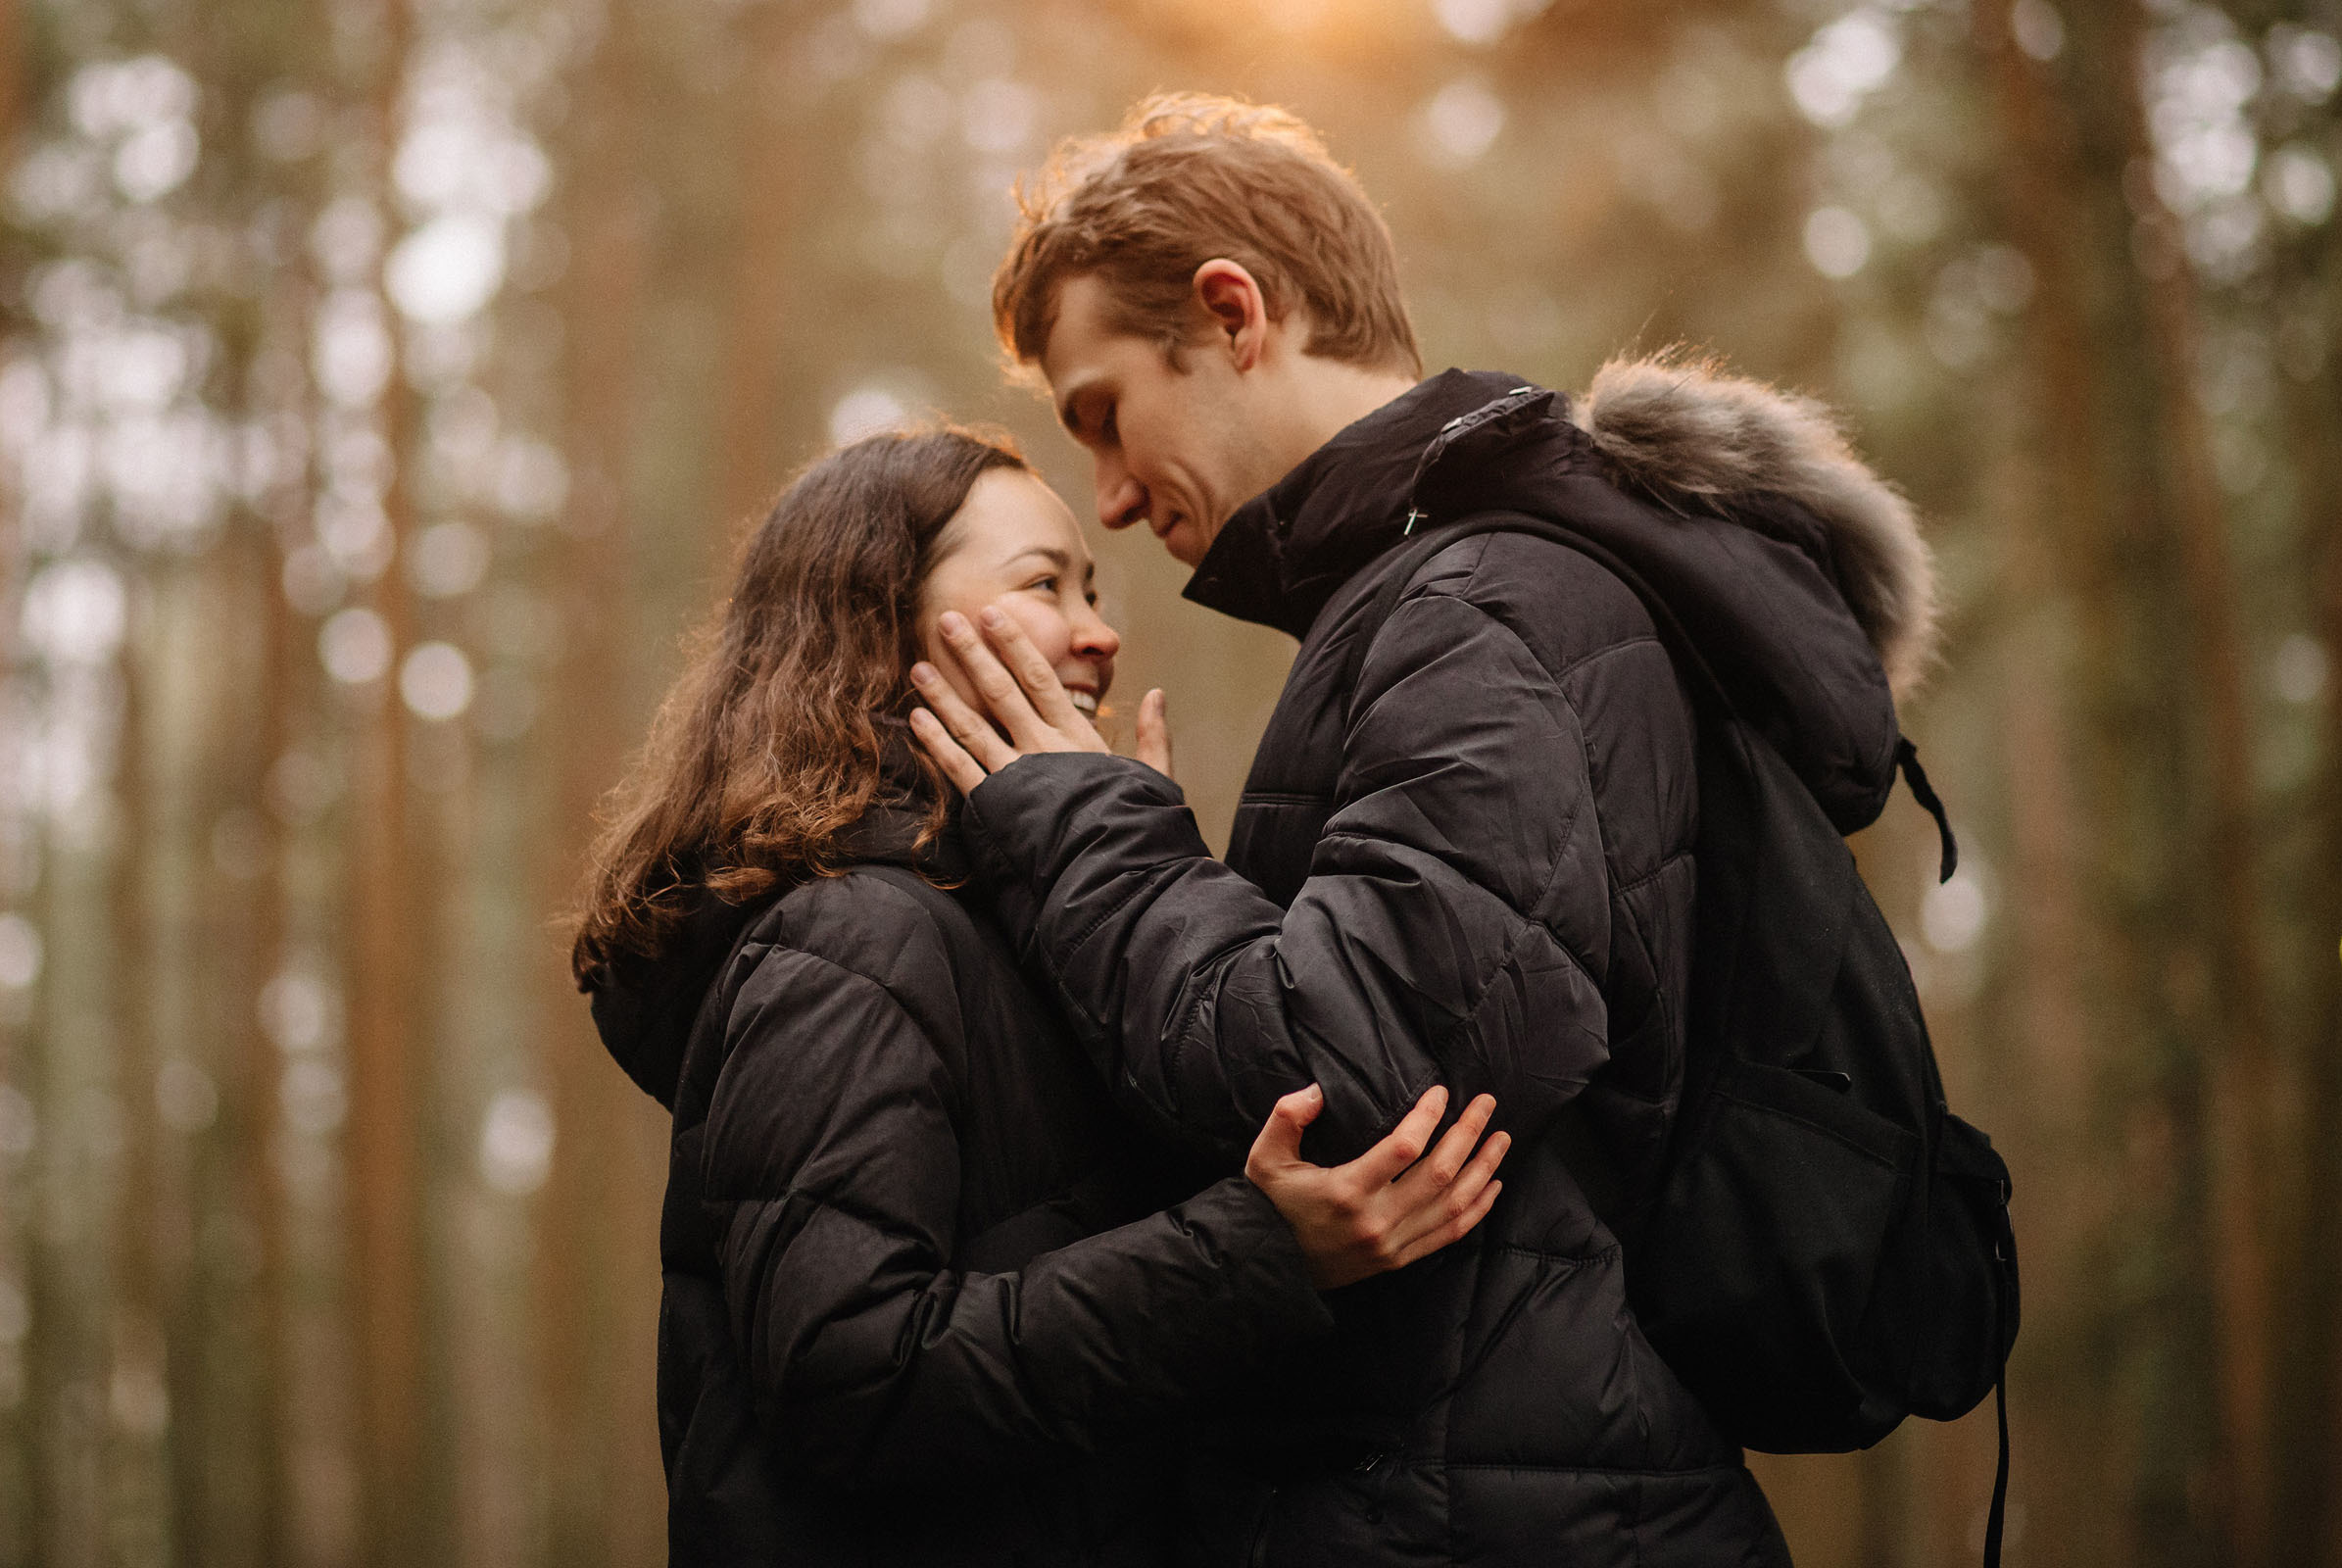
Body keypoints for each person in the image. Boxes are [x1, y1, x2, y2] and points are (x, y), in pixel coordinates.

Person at [911, 95, 1937, 1567]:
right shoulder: (1449, 605)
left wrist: (1078, 825)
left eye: (1105, 415)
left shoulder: (1478, 610)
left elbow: (1353, 1082)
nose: (1116, 499)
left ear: (1230, 311)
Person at [569, 425, 1511, 1564]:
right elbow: (851, 1375)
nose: (1102, 632)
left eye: (1093, 589)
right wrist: (1257, 1253)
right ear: (882, 626)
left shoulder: (1018, 926)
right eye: (1043, 585)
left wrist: (1133, 882)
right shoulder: (846, 941)